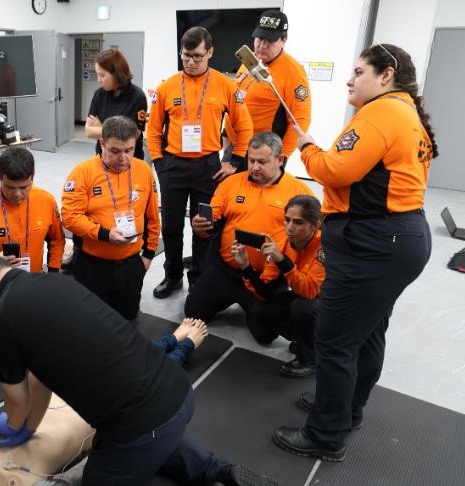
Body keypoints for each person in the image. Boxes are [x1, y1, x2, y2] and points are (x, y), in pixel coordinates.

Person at [0, 247, 279, 486]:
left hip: (140, 423)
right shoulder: (52, 282)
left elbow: (17, 400)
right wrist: (28, 428)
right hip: (178, 392)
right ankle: (220, 471)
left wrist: (16, 425)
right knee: (153, 442)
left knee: (111, 465)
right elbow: (40, 380)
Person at [273, 44, 436, 461]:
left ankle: (326, 434)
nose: (350, 79)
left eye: (359, 71)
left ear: (386, 75)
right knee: (367, 333)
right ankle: (347, 410)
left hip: (374, 244)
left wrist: (307, 147)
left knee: (335, 341)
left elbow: (334, 169)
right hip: (398, 239)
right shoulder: (406, 114)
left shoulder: (382, 113)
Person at [147, 26, 254, 298]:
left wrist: (235, 162)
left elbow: (244, 127)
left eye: (197, 56)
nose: (191, 62)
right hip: (173, 167)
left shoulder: (225, 85)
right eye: (186, 56)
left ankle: (199, 278)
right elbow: (153, 130)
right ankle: (172, 276)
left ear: (210, 53)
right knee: (171, 226)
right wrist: (159, 164)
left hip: (208, 168)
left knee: (204, 226)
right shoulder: (167, 87)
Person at [185, 132, 313, 324]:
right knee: (193, 313)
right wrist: (200, 226)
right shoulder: (231, 183)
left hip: (265, 277)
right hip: (226, 270)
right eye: (251, 160)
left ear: (279, 160)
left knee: (265, 332)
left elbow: (311, 238)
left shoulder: (299, 192)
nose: (254, 167)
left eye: (262, 162)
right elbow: (211, 221)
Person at [61, 116, 159, 321]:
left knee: (127, 319)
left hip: (132, 265)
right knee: (91, 321)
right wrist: (105, 234)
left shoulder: (143, 170)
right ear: (102, 143)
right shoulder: (83, 173)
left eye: (129, 150)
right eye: (115, 151)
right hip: (93, 266)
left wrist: (149, 255)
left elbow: (152, 216)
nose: (123, 158)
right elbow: (70, 217)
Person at [233, 195, 324, 378]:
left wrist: (282, 261)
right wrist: (246, 267)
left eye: (298, 222)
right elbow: (265, 292)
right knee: (260, 312)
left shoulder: (324, 247)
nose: (290, 227)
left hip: (332, 301)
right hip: (304, 294)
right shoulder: (282, 242)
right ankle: (304, 338)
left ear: (315, 225)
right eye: (287, 220)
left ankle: (310, 359)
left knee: (303, 307)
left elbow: (310, 291)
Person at [224, 9, 311, 162]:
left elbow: (300, 120)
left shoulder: (293, 72)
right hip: (235, 147)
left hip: (263, 155)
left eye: (270, 40)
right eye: (259, 38)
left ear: (284, 39)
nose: (262, 45)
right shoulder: (250, 60)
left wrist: (281, 158)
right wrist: (226, 135)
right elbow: (237, 99)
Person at [0, 146, 65, 272]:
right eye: (10, 187)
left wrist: (53, 272)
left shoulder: (46, 201)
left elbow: (57, 240)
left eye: (24, 187)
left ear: (33, 177)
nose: (17, 194)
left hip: (33, 278)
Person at [86, 48, 148, 160]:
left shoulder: (137, 97)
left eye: (102, 75)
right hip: (103, 159)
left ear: (116, 73)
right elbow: (89, 132)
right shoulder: (99, 95)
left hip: (129, 161)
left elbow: (132, 136)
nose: (99, 80)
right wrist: (119, 132)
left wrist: (101, 127)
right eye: (97, 75)